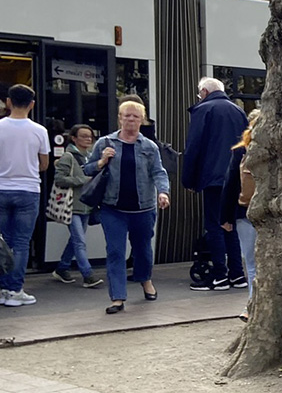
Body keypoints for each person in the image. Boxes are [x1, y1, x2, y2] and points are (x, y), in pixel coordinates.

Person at [86, 100, 171, 314]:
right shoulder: (105, 143)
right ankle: (117, 297)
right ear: (120, 118)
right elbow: (87, 169)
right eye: (127, 115)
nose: (131, 119)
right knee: (115, 251)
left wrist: (163, 191)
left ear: (141, 120)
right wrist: (101, 161)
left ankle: (145, 280)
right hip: (112, 208)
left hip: (143, 209)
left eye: (135, 116)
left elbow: (159, 172)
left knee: (142, 249)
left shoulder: (149, 146)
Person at [183, 77, 249, 290]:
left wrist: (189, 179)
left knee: (214, 225)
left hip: (212, 179)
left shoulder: (204, 110)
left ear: (203, 91)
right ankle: (237, 275)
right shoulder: (238, 111)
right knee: (231, 225)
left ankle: (219, 274)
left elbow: (194, 147)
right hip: (235, 178)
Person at [0, 84, 50, 307]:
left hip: (1, 189)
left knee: (3, 241)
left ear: (8, 102)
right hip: (28, 190)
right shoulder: (40, 131)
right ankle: (15, 290)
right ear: (32, 104)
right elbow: (44, 164)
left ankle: (2, 289)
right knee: (21, 242)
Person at [52, 124, 104, 288]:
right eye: (83, 136)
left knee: (75, 240)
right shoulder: (68, 157)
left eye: (90, 136)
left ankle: (62, 268)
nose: (88, 139)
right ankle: (88, 275)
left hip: (85, 206)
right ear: (73, 138)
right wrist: (82, 180)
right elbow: (59, 179)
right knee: (80, 241)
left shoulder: (90, 156)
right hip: (71, 206)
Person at [221, 111, 260, 321]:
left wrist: (225, 218)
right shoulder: (278, 152)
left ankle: (251, 307)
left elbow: (230, 186)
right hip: (273, 214)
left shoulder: (240, 151)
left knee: (252, 263)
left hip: (244, 213)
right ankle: (253, 306)